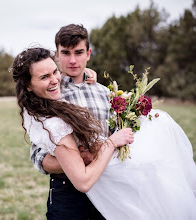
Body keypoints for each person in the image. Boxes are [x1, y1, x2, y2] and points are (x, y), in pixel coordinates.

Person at [11, 47, 196, 220]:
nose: (55, 80)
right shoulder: (53, 123)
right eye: (44, 77)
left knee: (159, 129)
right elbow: (80, 179)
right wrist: (110, 143)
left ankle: (186, 180)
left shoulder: (50, 100)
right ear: (28, 85)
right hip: (76, 186)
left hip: (107, 183)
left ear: (88, 54)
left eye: (55, 72)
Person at [30, 24, 113, 219]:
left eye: (79, 52)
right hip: (67, 191)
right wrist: (77, 161)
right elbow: (37, 156)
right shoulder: (49, 93)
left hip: (108, 186)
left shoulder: (104, 92)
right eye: (66, 53)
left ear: (88, 53)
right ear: (56, 55)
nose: (73, 60)